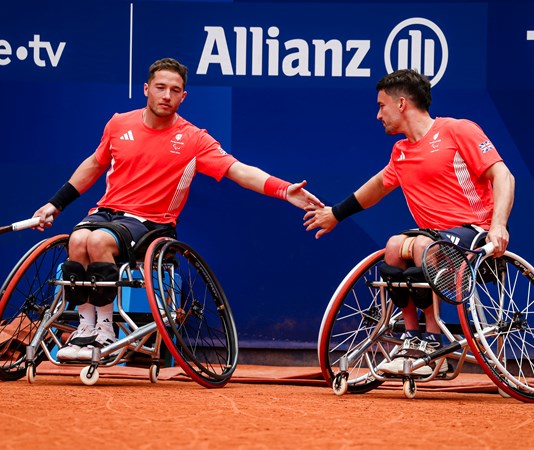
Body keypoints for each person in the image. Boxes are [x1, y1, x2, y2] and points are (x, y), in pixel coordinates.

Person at [33, 57, 322, 360]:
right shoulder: (119, 124)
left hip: (151, 224)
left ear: (183, 96)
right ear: (146, 89)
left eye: (175, 90)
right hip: (107, 212)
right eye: (160, 88)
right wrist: (56, 204)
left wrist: (283, 189)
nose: (167, 96)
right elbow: (93, 165)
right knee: (77, 240)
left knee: (97, 240)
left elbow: (239, 170)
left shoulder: (194, 139)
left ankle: (105, 331)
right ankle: (84, 327)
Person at [304, 69, 514, 376]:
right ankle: (411, 336)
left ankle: (432, 339)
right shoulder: (400, 152)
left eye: (381, 106)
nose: (378, 115)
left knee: (421, 245)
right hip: (432, 241)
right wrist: (336, 213)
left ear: (401, 104)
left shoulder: (458, 130)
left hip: (475, 234)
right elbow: (376, 187)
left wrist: (499, 226)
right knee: (393, 247)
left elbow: (503, 175)